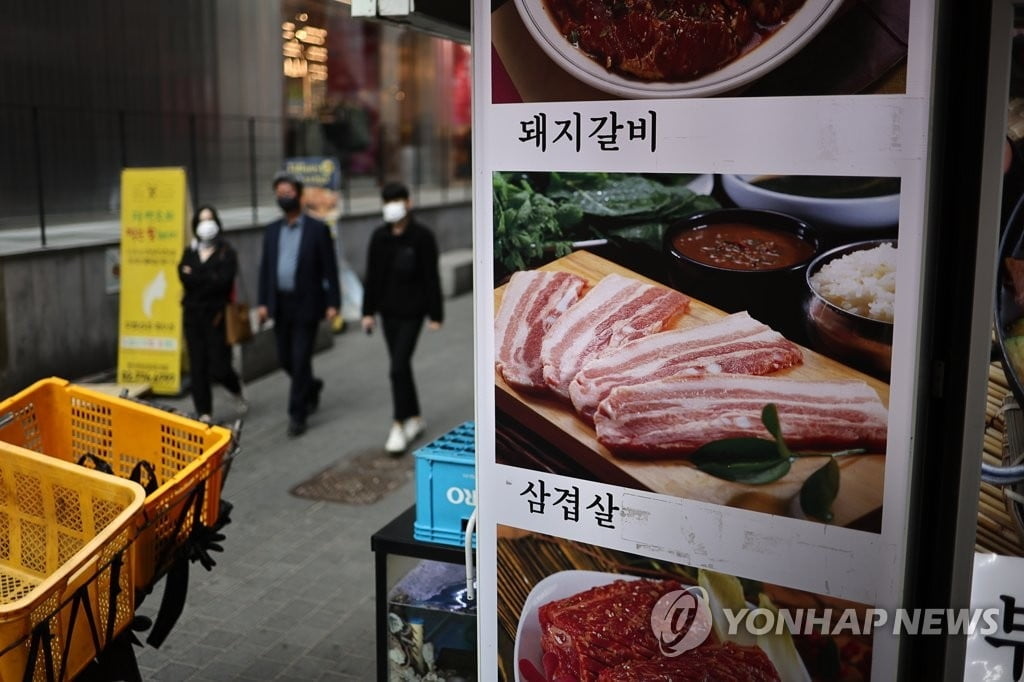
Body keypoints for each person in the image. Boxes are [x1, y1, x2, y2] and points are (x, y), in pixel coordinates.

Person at [361, 182, 444, 454]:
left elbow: (431, 277)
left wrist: (436, 314)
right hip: (388, 313)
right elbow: (372, 276)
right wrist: (367, 312)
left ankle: (398, 423)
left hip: (413, 313)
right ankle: (416, 418)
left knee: (397, 367)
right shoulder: (379, 237)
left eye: (396, 200)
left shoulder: (422, 237)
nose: (392, 205)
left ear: (408, 202)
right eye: (387, 201)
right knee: (402, 366)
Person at [257, 172, 341, 437]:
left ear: (300, 195)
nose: (284, 197)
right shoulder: (272, 230)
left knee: (301, 357)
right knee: (285, 358)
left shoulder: (318, 229)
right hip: (280, 304)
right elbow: (265, 269)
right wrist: (263, 303)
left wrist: (333, 302)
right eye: (280, 193)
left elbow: (330, 268)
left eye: (289, 192)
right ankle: (312, 386)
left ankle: (297, 414)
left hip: (307, 303)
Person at [178, 205, 247, 423]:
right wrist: (208, 276)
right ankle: (204, 412)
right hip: (192, 316)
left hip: (217, 317)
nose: (206, 224)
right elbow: (183, 275)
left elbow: (223, 282)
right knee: (197, 365)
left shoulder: (227, 252)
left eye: (210, 219)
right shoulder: (190, 251)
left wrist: (197, 275)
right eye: (201, 220)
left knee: (219, 366)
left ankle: (235, 388)